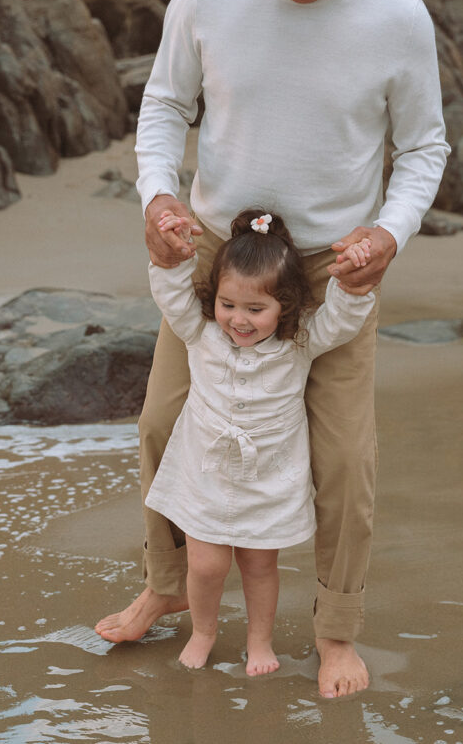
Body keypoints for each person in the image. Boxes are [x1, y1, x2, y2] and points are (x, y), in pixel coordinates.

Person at [95, 0, 450, 699]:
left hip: (333, 266)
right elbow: (164, 104)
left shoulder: (398, 14)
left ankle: (336, 628)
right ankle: (166, 583)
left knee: (347, 461)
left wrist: (387, 235)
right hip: (222, 261)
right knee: (161, 421)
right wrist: (159, 198)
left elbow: (422, 148)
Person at [146, 209, 375, 675]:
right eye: (229, 304)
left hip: (267, 477)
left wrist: (353, 285)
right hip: (206, 474)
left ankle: (260, 641)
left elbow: (341, 322)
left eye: (256, 309)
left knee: (258, 566)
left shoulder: (300, 343)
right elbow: (172, 297)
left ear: (284, 308)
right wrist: (167, 260)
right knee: (206, 566)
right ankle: (204, 631)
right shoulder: (201, 332)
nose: (239, 320)